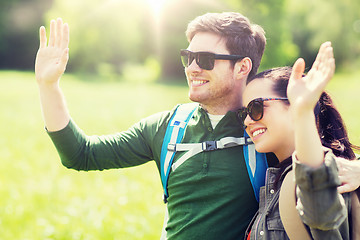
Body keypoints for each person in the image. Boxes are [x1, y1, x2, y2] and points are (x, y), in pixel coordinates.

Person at [35, 13, 268, 239]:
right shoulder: (167, 127)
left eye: (205, 59)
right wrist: (48, 86)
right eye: (189, 57)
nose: (192, 68)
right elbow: (81, 154)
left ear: (242, 67)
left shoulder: (267, 131)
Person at [242, 42, 360, 239]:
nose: (247, 121)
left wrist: (303, 111)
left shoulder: (336, 173)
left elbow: (321, 211)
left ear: (293, 106)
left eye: (255, 108)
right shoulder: (274, 180)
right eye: (243, 113)